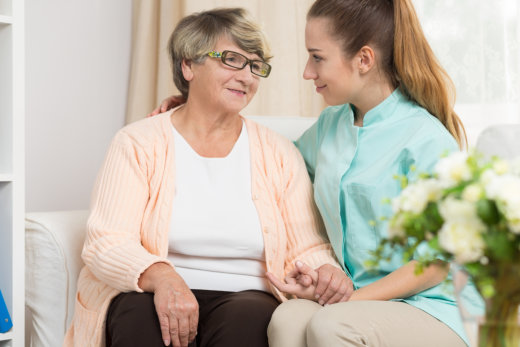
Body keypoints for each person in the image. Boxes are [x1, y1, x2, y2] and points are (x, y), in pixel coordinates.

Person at [152, 1, 483, 346]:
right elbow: (269, 157)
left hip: (436, 306)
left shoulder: (426, 140)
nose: (308, 72)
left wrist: (349, 302)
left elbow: (434, 265)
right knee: (287, 320)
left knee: (331, 325)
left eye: (317, 57)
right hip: (356, 301)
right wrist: (196, 111)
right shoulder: (332, 125)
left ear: (364, 60)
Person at [63, 8, 348, 347]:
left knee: (249, 321)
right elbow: (106, 241)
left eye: (256, 66)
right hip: (153, 289)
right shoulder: (138, 142)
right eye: (232, 60)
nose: (247, 77)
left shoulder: (279, 152)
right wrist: (163, 277)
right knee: (140, 318)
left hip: (248, 294)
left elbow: (307, 245)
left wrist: (325, 272)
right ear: (188, 66)